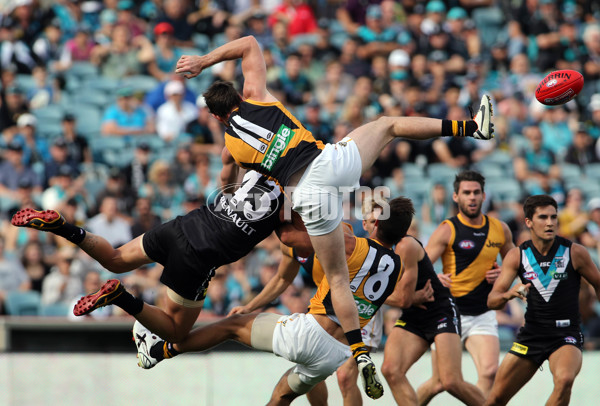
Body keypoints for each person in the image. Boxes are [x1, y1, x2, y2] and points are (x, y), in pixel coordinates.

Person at [174, 35, 494, 397]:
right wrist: (204, 59)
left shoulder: (230, 148)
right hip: (329, 163)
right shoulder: (258, 95)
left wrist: (227, 192)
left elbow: (227, 183)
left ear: (216, 116)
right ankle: (471, 128)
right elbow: (249, 43)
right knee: (388, 125)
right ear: (239, 95)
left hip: (306, 194)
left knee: (336, 278)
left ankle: (358, 353)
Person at [132, 197, 414, 404]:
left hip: (311, 332)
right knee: (281, 395)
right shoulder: (397, 265)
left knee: (230, 326)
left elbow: (292, 235)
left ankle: (161, 351)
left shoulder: (347, 240)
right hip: (337, 353)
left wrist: (279, 204)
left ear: (375, 223)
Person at [11, 170, 299, 344]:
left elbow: (226, 170)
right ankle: (120, 297)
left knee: (115, 259)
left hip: (182, 226)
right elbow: (289, 247)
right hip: (199, 256)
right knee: (175, 331)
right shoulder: (293, 198)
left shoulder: (257, 166)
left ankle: (63, 226)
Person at [485, 194, 600, 405]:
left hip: (566, 335)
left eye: (554, 217)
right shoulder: (516, 256)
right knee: (495, 399)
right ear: (528, 222)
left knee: (564, 380)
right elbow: (492, 301)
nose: (550, 223)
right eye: (543, 217)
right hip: (532, 335)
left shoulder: (575, 252)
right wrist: (508, 294)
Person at [420, 170, 514, 401]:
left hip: (482, 312)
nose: (472, 197)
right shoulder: (447, 229)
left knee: (490, 372)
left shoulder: (500, 229)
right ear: (456, 197)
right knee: (439, 383)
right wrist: (434, 278)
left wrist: (503, 274)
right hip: (449, 313)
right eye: (466, 193)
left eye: (476, 193)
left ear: (483, 195)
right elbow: (420, 265)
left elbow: (516, 263)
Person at [378, 208, 486, 404]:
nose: (372, 225)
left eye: (375, 221)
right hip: (414, 314)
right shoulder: (371, 251)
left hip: (439, 311)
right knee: (390, 370)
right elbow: (405, 299)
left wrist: (370, 295)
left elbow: (403, 300)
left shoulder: (405, 245)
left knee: (451, 381)